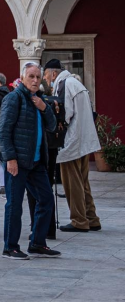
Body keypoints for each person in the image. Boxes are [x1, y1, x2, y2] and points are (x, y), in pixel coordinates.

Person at [0, 62, 61, 260]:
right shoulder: (13, 99)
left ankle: (38, 242)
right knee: (14, 205)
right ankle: (10, 247)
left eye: (37, 77)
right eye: (31, 77)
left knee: (46, 200)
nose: (35, 80)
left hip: (36, 162)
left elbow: (52, 126)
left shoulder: (40, 99)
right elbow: (3, 132)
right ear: (23, 77)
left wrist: (45, 108)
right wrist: (10, 159)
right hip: (18, 162)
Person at [44, 59, 102, 233]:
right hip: (84, 139)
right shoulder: (75, 82)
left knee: (72, 182)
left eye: (46, 76)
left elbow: (65, 113)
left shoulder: (63, 83)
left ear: (53, 73)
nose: (47, 80)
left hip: (73, 141)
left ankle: (79, 220)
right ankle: (92, 218)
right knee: (83, 181)